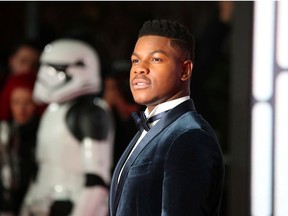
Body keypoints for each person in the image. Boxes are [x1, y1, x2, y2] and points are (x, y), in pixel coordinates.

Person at [109, 19, 224, 216]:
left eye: (155, 59)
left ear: (185, 70)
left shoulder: (189, 137)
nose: (139, 69)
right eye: (135, 60)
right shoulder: (152, 129)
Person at [20, 39, 114, 216]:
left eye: (54, 69)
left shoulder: (90, 113)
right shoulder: (52, 111)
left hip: (71, 203)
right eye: (44, 67)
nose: (44, 75)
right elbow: (41, 170)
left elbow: (97, 180)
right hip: (41, 202)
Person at [0, 73, 40, 216]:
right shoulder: (5, 131)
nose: (21, 109)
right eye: (16, 102)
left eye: (28, 102)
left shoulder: (42, 133)